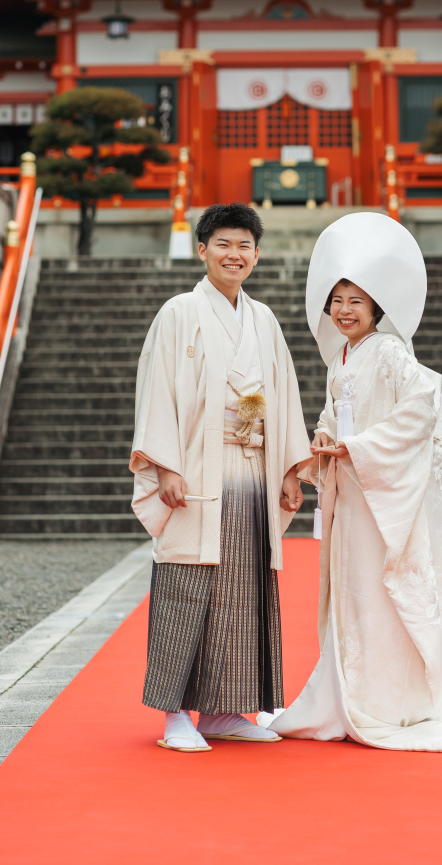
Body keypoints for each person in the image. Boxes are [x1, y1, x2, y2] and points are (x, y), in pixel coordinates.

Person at [262, 212, 442, 753]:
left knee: (378, 593)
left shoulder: (389, 351)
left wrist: (359, 448)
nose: (344, 310)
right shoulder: (340, 359)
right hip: (350, 497)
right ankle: (345, 694)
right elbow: (334, 416)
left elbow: (424, 402)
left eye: (356, 301)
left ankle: (381, 703)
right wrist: (324, 439)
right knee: (349, 595)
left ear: (376, 308)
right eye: (337, 301)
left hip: (379, 496)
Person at [129, 203, 312, 752]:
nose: (235, 255)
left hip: (252, 468)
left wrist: (290, 468)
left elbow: (284, 395)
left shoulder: (264, 320)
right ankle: (174, 714)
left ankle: (224, 710)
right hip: (196, 466)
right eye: (224, 244)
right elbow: (157, 389)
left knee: (243, 587)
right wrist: (166, 465)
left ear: (257, 254)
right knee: (187, 586)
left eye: (245, 246)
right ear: (202, 249)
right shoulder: (179, 312)